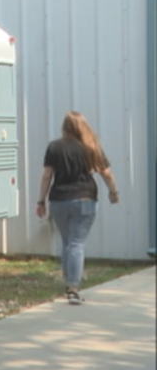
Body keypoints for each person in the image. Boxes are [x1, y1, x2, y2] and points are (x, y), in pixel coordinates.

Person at [35, 111, 119, 305]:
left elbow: (47, 176)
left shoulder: (54, 147)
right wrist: (114, 192)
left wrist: (41, 201)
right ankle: (73, 288)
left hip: (59, 201)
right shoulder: (91, 147)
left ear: (64, 127)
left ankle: (69, 282)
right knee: (77, 243)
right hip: (84, 199)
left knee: (68, 242)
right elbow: (106, 173)